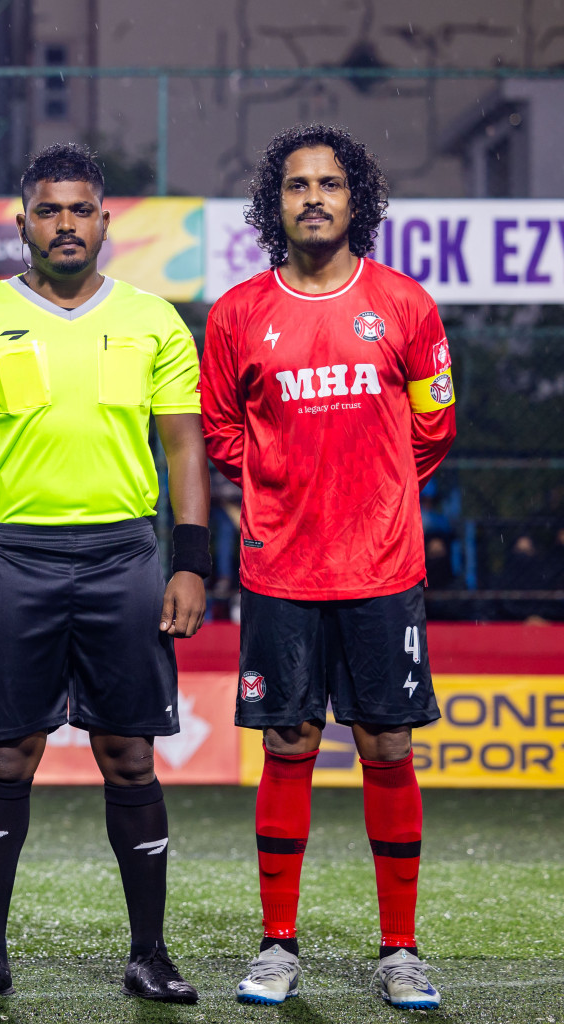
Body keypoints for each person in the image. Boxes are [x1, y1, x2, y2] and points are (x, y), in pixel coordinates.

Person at [0, 143, 207, 1005]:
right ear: (22, 223)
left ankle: (150, 954)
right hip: (15, 557)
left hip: (126, 556)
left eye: (79, 209)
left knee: (129, 755)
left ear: (104, 221)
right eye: (47, 210)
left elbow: (184, 447)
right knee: (8, 754)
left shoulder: (154, 320)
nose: (64, 224)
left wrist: (193, 562)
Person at [200, 124, 456, 1010]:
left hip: (384, 568)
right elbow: (221, 432)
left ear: (357, 199)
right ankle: (278, 945)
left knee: (387, 746)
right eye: (297, 185)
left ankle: (400, 951)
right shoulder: (237, 313)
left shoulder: (407, 305)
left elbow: (434, 428)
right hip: (282, 571)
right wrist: (287, 489)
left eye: (330, 183)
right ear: (274, 205)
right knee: (288, 744)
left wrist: (370, 492)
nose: (313, 197)